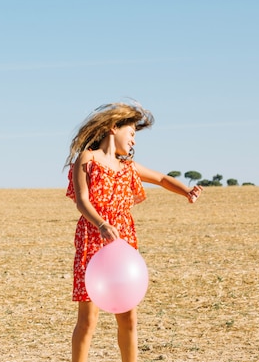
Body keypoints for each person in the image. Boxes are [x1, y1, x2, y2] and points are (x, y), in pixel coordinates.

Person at [64, 101, 202, 362]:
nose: (134, 142)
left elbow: (161, 179)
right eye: (132, 133)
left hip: (122, 243)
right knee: (88, 320)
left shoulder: (128, 167)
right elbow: (82, 201)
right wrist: (102, 225)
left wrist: (186, 191)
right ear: (113, 128)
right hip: (93, 240)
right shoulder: (87, 159)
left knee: (128, 317)